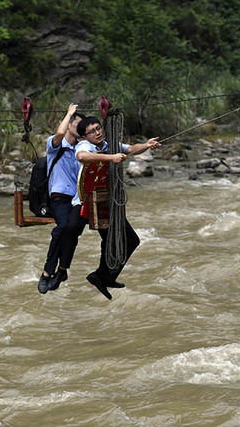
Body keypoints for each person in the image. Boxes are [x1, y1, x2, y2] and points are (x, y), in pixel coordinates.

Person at [54, 116, 161, 299]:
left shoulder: (108, 144)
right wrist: (111, 158)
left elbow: (131, 149)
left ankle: (103, 276)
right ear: (84, 137)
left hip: (104, 203)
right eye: (92, 131)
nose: (98, 133)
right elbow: (82, 157)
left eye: (99, 128)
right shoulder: (84, 147)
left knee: (130, 240)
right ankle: (62, 271)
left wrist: (146, 145)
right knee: (71, 230)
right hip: (86, 202)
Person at [37, 104, 86, 294]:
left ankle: (60, 271)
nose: (80, 129)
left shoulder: (81, 150)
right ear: (69, 125)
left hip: (77, 200)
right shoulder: (55, 146)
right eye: (78, 124)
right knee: (62, 229)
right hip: (59, 199)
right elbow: (59, 133)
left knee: (71, 230)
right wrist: (69, 114)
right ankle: (49, 272)